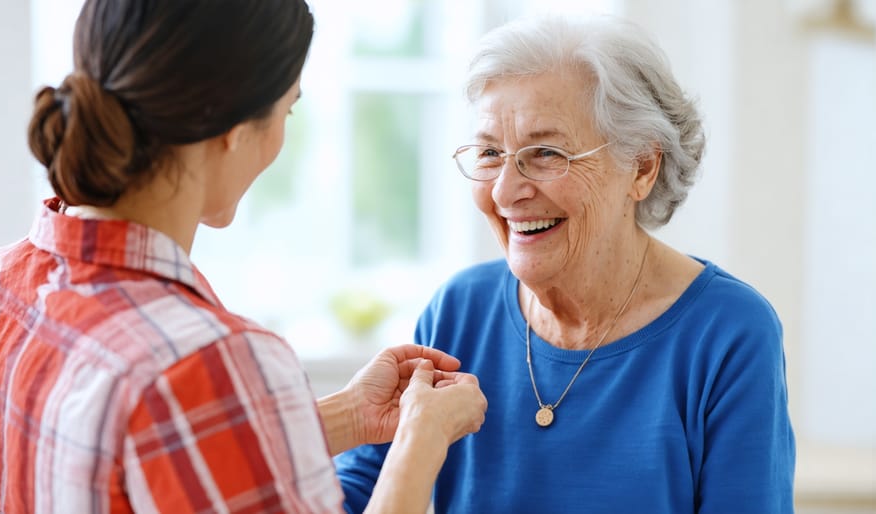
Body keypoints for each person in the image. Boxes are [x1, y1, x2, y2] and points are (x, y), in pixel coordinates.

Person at [0, 1, 488, 512]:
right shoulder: (204, 360)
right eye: (286, 109)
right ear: (233, 127)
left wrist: (350, 414)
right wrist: (422, 440)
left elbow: (165, 454)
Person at [335, 13, 796, 514]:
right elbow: (343, 498)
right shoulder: (459, 311)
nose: (506, 191)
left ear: (642, 167)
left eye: (547, 153)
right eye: (490, 152)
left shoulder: (728, 333)